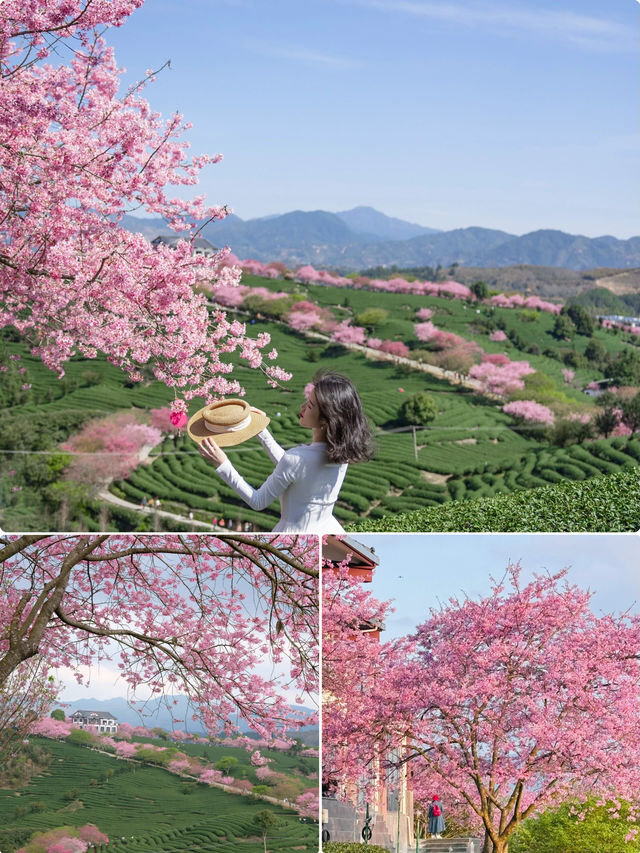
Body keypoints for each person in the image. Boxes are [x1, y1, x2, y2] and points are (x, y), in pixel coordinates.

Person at [196, 371, 374, 533]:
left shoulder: (298, 459)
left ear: (327, 420)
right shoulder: (343, 453)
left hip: (294, 535)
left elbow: (258, 501)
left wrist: (223, 465)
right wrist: (261, 430)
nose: (303, 407)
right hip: (330, 532)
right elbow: (297, 469)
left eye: (310, 406)